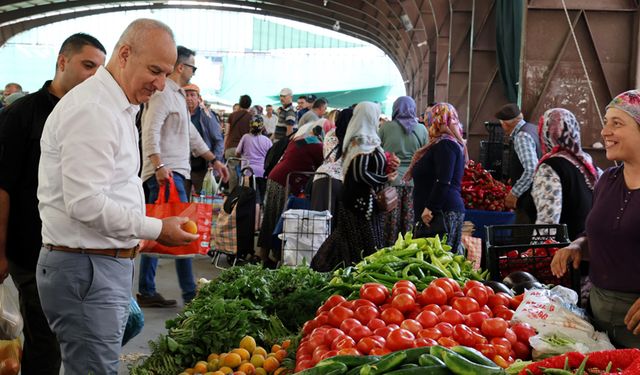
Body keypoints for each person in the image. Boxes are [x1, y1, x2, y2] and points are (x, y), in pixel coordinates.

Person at [36, 19, 200, 373]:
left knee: (89, 365)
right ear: (124, 54)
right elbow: (86, 203)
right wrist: (155, 228)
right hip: (86, 268)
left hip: (94, 265)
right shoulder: (94, 109)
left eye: (167, 73)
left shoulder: (116, 106)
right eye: (155, 71)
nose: (160, 85)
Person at [0, 32, 106, 375]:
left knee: (60, 339)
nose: (94, 75)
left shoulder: (93, 116)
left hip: (76, 252)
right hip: (29, 247)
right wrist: (1, 251)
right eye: (87, 65)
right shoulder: (23, 113)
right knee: (45, 341)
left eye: (99, 69)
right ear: (62, 62)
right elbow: (2, 188)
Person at [139, 45, 228, 308]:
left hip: (174, 172)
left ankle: (152, 289)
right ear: (181, 67)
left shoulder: (177, 95)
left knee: (166, 231)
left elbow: (191, 136)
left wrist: (214, 159)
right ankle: (187, 292)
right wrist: (158, 164)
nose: (193, 71)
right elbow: (150, 129)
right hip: (166, 174)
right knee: (176, 231)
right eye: (192, 66)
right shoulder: (164, 94)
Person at [551, 90, 640, 348]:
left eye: (617, 123)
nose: (604, 132)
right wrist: (578, 246)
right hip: (598, 314)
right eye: (605, 122)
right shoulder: (607, 180)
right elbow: (604, 233)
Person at [311, 102, 399, 272]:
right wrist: (384, 177)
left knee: (351, 240)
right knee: (358, 242)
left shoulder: (371, 139)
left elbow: (372, 166)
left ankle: (331, 270)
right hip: (358, 202)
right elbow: (360, 174)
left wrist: (389, 164)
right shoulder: (360, 140)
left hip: (368, 202)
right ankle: (348, 276)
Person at [257, 121, 324, 266]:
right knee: (281, 219)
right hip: (285, 182)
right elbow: (324, 164)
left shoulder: (301, 138)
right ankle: (277, 257)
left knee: (270, 216)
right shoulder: (318, 146)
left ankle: (263, 255)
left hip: (276, 177)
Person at [405, 103, 466, 254]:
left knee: (440, 261)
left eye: (430, 118)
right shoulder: (439, 143)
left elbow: (444, 180)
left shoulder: (446, 145)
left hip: (441, 212)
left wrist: (431, 208)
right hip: (438, 210)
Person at [532, 108, 599, 240]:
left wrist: (536, 254)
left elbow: (548, 224)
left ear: (545, 133)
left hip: (564, 252)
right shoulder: (588, 163)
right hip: (589, 247)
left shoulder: (550, 168)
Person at [378, 96, 427, 246]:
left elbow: (378, 152)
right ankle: (406, 251)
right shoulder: (421, 128)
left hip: (391, 181)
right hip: (413, 182)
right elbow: (425, 155)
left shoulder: (386, 127)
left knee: (390, 222)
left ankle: (387, 251)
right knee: (409, 221)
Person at [495, 103, 541, 223]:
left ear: (505, 124)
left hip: (528, 201)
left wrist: (514, 193)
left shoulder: (522, 136)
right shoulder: (533, 129)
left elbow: (532, 169)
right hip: (538, 197)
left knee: (523, 238)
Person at [183, 83, 224, 194]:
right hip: (183, 165)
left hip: (202, 166)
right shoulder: (181, 114)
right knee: (182, 201)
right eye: (186, 95)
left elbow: (218, 140)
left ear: (199, 98)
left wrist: (215, 161)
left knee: (203, 200)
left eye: (192, 95)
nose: (189, 98)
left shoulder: (206, 115)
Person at [311, 111, 349, 228]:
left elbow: (326, 155)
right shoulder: (352, 136)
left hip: (321, 177)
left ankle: (320, 246)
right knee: (337, 225)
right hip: (340, 180)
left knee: (319, 225)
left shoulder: (330, 133)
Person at [236, 115, 273, 203]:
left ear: (250, 125)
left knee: (249, 199)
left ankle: (251, 215)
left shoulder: (245, 137)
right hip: (263, 173)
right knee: (261, 198)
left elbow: (237, 152)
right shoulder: (267, 140)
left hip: (248, 172)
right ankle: (259, 215)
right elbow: (271, 156)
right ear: (262, 127)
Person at [224, 94, 252, 192]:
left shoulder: (232, 116)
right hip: (244, 149)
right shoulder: (251, 117)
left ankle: (232, 193)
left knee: (232, 171)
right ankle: (242, 193)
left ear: (239, 104)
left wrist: (224, 147)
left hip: (231, 147)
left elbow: (226, 133)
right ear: (249, 105)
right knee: (245, 171)